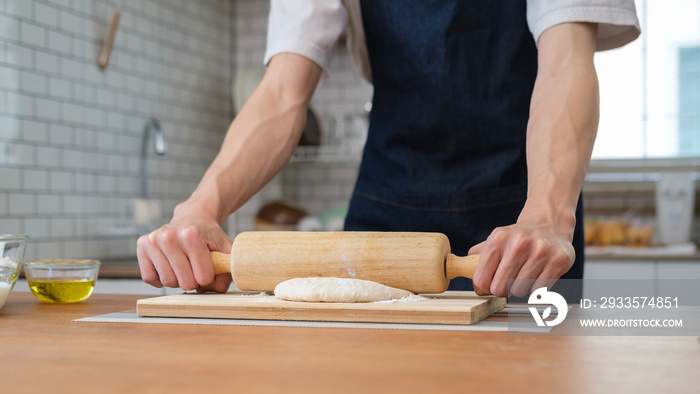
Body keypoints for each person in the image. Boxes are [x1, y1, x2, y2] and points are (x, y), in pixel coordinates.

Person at [136, 0, 640, 301]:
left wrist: (547, 217)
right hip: (387, 211)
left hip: (524, 222)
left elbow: (564, 64)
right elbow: (283, 92)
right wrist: (202, 206)